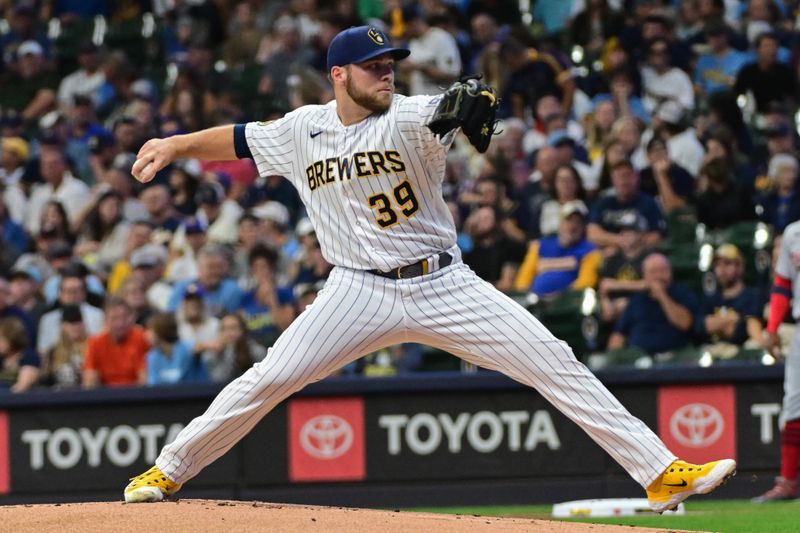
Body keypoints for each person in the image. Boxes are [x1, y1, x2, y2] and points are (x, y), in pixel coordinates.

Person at [123, 25, 736, 512]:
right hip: (354, 291)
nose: (386, 72)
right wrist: (176, 145)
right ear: (338, 75)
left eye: (391, 63)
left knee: (554, 360)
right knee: (268, 379)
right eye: (373, 66)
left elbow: (450, 107)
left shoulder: (409, 115)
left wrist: (468, 107)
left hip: (444, 282)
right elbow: (237, 138)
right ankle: (169, 470)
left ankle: (659, 473)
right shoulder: (302, 129)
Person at [753, 220, 800, 502]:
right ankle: (788, 482)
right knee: (794, 404)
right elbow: (782, 285)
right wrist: (772, 328)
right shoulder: (794, 232)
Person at [607, 253, 699, 355]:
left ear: (671, 273)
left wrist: (662, 295)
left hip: (675, 355)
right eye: (654, 272)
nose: (659, 276)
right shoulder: (636, 299)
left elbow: (685, 323)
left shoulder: (682, 293)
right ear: (644, 275)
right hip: (638, 358)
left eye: (663, 271)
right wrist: (613, 356)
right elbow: (619, 334)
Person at [513, 201, 601, 298]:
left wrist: (557, 296)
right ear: (560, 223)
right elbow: (523, 280)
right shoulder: (540, 245)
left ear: (584, 227)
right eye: (569, 220)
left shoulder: (590, 251)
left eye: (578, 222)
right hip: (534, 302)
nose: (573, 227)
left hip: (566, 303)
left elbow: (585, 284)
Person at [696, 244, 765, 348]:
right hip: (713, 356)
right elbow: (703, 327)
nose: (722, 269)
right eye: (718, 265)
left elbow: (740, 331)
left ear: (740, 267)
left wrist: (717, 323)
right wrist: (731, 319)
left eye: (727, 264)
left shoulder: (753, 296)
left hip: (743, 357)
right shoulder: (710, 299)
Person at [82, 298, 149, 388]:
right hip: (106, 396)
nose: (120, 323)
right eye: (114, 318)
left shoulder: (142, 338)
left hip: (136, 395)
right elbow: (90, 381)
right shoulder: (95, 343)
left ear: (132, 318)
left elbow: (145, 379)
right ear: (105, 320)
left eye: (124, 317)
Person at [145, 312, 208, 387]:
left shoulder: (186, 348)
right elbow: (153, 386)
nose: (146, 334)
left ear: (161, 330)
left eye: (150, 330)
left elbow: (199, 347)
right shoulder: (152, 357)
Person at [202, 313, 267, 384]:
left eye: (232, 328)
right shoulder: (215, 352)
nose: (228, 333)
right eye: (223, 329)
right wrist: (229, 350)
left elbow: (264, 380)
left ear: (242, 330)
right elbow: (218, 381)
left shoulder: (256, 351)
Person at [0, 317, 40, 392]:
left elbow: (21, 387)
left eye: (1, 338)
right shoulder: (1, 358)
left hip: (16, 402)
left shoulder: (29, 357)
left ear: (12, 338)